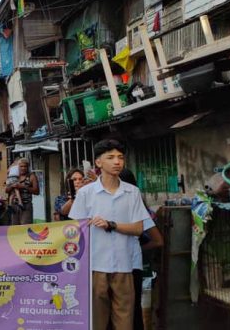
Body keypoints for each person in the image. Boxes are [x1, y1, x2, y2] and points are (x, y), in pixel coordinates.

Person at [68, 140, 150, 330]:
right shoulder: (86, 193)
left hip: (124, 265)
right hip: (95, 266)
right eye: (111, 157)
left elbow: (138, 228)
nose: (117, 162)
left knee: (125, 321)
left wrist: (111, 225)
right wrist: (85, 225)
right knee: (96, 321)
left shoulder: (132, 192)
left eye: (120, 157)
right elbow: (74, 230)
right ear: (98, 163)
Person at [119, 169, 164, 330]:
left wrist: (136, 247)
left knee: (136, 313)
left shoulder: (140, 211)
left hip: (137, 269)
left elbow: (158, 241)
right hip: (116, 267)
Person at [5, 158, 39, 225]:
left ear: (28, 167)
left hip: (26, 206)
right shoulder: (14, 175)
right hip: (14, 206)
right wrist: (12, 186)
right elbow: (6, 190)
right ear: (18, 167)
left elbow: (36, 191)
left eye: (25, 166)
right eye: (21, 166)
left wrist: (24, 187)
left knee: (25, 227)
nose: (23, 168)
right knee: (15, 228)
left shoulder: (32, 176)